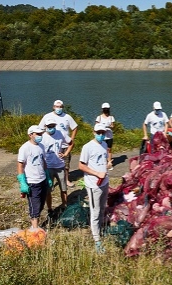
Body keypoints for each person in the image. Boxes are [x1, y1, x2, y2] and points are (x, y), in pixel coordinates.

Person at [78, 123, 110, 254]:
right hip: (93, 184)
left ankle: (100, 229)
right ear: (94, 132)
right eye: (99, 132)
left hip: (105, 182)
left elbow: (104, 160)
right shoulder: (87, 147)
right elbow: (81, 166)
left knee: (102, 208)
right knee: (95, 211)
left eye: (103, 132)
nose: (101, 135)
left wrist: (107, 164)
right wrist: (97, 174)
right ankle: (96, 240)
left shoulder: (104, 145)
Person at [17, 125, 52, 230]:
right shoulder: (25, 148)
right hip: (33, 182)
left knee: (41, 204)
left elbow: (43, 162)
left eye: (41, 134)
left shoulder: (41, 146)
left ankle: (35, 226)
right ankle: (35, 231)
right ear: (30, 135)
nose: (40, 136)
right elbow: (20, 165)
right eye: (38, 134)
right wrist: (22, 182)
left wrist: (48, 176)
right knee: (35, 207)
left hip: (42, 180)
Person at [39, 100, 78, 187]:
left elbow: (75, 127)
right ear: (53, 107)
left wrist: (71, 138)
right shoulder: (47, 116)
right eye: (57, 106)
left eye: (60, 107)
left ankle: (66, 180)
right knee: (49, 164)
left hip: (64, 144)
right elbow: (40, 128)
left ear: (63, 107)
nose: (58, 108)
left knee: (66, 164)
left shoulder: (67, 117)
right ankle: (50, 181)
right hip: (51, 145)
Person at [41, 117, 73, 213]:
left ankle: (64, 205)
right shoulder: (42, 137)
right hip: (48, 167)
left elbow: (71, 143)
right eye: (49, 126)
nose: (51, 128)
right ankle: (50, 208)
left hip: (60, 166)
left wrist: (66, 153)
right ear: (45, 126)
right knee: (48, 190)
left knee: (63, 188)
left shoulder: (61, 133)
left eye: (53, 126)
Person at [95, 102, 115, 170]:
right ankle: (101, 163)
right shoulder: (99, 117)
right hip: (101, 136)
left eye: (107, 109)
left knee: (109, 149)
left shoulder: (111, 117)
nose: (106, 110)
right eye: (105, 109)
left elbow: (113, 125)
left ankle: (109, 163)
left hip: (109, 136)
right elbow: (96, 126)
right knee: (101, 149)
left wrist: (109, 126)